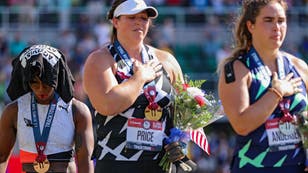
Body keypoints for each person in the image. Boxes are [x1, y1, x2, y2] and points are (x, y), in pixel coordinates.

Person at [83, 0, 196, 173]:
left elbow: (186, 109)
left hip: (160, 162)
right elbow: (107, 104)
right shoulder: (100, 60)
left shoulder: (166, 60)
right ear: (115, 21)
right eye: (132, 17)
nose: (139, 22)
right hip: (117, 161)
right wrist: (140, 77)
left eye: (144, 18)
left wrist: (181, 140)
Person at [218, 0, 308, 173]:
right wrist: (276, 92)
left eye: (281, 20)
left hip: (296, 166)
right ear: (250, 25)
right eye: (268, 20)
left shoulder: (300, 67)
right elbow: (241, 125)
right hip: (254, 168)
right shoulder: (237, 69)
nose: (276, 27)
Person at [0, 44, 95, 173]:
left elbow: (85, 160)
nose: (40, 89)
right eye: (34, 82)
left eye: (46, 83)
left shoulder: (77, 111)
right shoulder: (13, 111)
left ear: (56, 78)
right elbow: (2, 157)